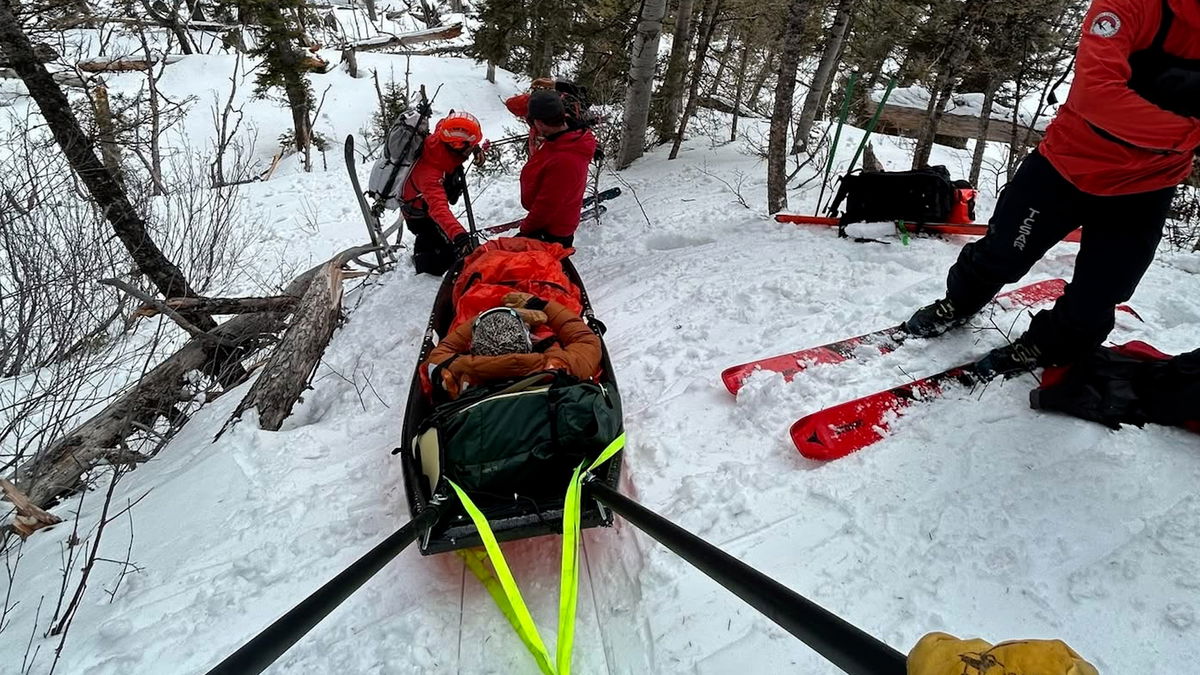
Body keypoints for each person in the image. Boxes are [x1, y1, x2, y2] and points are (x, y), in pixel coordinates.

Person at [904, 0, 1200, 378]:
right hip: (1065, 166)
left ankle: (1048, 345)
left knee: (1102, 292)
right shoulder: (1129, 6)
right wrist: (1191, 133)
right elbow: (1097, 96)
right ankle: (958, 303)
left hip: (1147, 186)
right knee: (1003, 253)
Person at [425, 291, 601, 400]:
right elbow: (586, 340)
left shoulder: (457, 374)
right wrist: (542, 306)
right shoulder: (560, 366)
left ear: (474, 347)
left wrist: (484, 317)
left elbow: (442, 351)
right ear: (528, 340)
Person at [401, 111, 484, 276]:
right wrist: (460, 236)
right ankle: (424, 273)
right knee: (444, 254)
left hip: (424, 205)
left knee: (440, 240)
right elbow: (438, 210)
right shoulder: (430, 174)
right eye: (470, 145)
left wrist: (475, 148)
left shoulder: (442, 138)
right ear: (458, 146)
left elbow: (443, 122)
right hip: (420, 215)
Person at [513, 89, 598, 248]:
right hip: (553, 222)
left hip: (552, 231)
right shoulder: (564, 136)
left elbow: (546, 206)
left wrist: (525, 231)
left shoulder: (564, 159)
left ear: (538, 122)